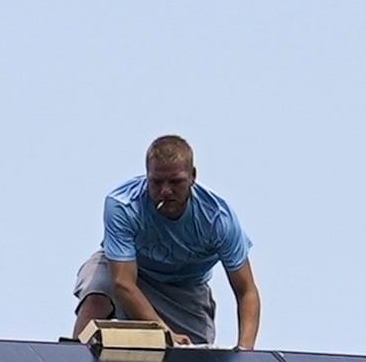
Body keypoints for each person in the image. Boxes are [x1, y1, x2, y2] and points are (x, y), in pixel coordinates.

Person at [75, 136, 260, 349]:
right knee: (98, 285)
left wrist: (245, 350)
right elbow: (122, 283)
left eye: (175, 182)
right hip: (130, 272)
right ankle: (75, 357)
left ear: (193, 176)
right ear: (147, 176)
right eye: (156, 182)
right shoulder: (123, 205)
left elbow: (246, 290)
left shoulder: (218, 219)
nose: (165, 191)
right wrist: (164, 333)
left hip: (185, 289)